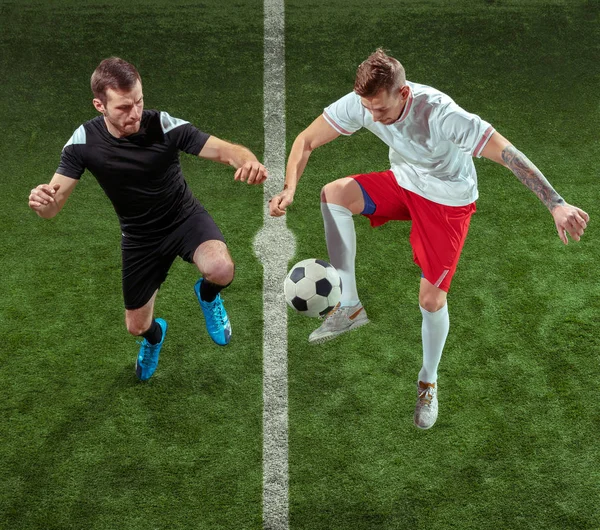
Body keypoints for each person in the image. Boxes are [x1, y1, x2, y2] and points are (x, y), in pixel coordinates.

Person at [269, 48, 589, 430]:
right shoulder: (364, 103)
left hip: (448, 201)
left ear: (403, 95)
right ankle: (350, 308)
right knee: (333, 194)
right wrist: (289, 188)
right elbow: (306, 140)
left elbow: (508, 154)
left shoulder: (441, 114)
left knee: (431, 298)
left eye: (381, 111)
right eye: (368, 109)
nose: (373, 117)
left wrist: (555, 203)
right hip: (406, 182)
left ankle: (428, 380)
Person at [28, 57, 267, 382]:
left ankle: (208, 295)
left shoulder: (162, 125)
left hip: (184, 218)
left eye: (139, 102)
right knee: (136, 326)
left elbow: (226, 151)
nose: (135, 113)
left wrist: (248, 162)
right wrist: (43, 202)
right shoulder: (84, 141)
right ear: (100, 105)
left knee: (221, 269)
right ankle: (155, 337)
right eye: (124, 107)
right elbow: (52, 207)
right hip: (140, 238)